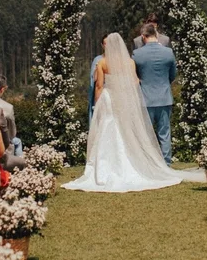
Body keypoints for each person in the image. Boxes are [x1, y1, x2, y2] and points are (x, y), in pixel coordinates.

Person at [63, 33, 181, 192]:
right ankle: (129, 163)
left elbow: (99, 86)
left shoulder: (102, 62)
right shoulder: (130, 63)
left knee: (106, 130)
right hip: (124, 99)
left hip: (109, 99)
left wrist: (97, 104)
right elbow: (135, 82)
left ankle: (105, 166)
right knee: (125, 131)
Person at [132, 23, 177, 164]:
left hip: (146, 98)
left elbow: (135, 76)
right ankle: (166, 163)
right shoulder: (168, 52)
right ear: (156, 35)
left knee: (146, 134)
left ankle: (149, 163)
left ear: (143, 36)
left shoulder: (137, 54)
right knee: (165, 133)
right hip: (164, 97)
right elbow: (173, 75)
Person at [88, 35, 107, 126]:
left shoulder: (118, 60)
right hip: (102, 93)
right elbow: (94, 80)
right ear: (102, 45)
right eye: (105, 44)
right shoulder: (98, 60)